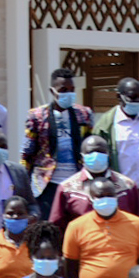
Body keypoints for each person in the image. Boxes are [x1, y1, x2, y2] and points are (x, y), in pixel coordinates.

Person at [58, 174, 139, 278]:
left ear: (117, 197)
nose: (106, 200)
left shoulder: (137, 224)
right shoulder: (76, 226)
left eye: (110, 195)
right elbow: (70, 268)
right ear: (91, 198)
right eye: (100, 196)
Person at [23, 66, 93, 198]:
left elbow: (90, 144)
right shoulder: (37, 116)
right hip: (47, 183)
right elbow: (27, 154)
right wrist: (24, 186)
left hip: (77, 182)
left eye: (72, 90)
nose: (69, 93)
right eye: (63, 90)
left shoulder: (84, 114)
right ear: (52, 91)